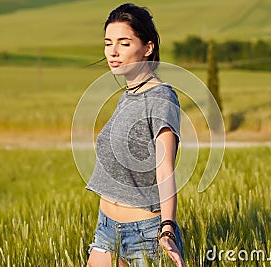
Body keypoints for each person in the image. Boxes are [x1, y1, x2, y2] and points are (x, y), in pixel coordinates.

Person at [85, 3, 185, 267]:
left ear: (148, 47)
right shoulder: (127, 96)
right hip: (105, 227)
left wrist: (167, 229)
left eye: (124, 43)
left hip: (145, 235)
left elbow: (165, 169)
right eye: (108, 43)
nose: (113, 52)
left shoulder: (161, 98)